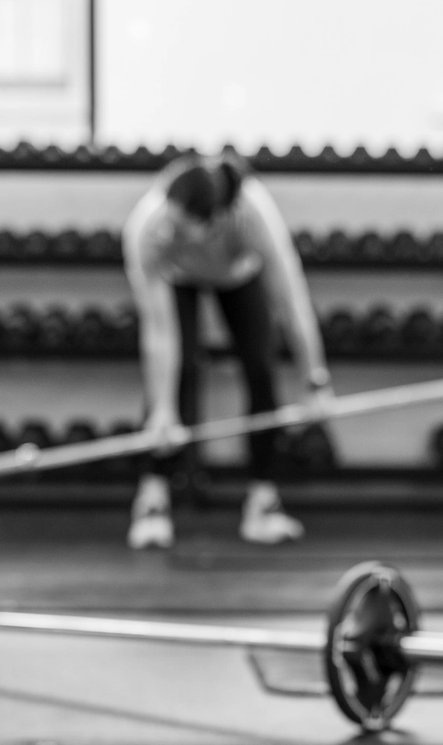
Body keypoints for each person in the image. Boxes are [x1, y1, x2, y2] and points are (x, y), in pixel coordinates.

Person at [122, 153, 333, 548]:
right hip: (177, 279)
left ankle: (263, 500)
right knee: (179, 371)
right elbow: (159, 332)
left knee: (260, 366)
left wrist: (315, 380)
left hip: (238, 273)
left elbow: (293, 305)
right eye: (170, 220)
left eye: (181, 228)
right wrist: (164, 409)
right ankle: (152, 499)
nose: (170, 232)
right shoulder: (147, 228)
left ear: (217, 220)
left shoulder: (253, 216)